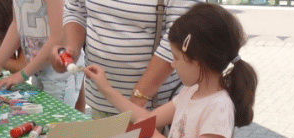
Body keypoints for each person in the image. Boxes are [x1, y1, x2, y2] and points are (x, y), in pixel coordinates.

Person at [83, 3, 255, 138]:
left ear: (197, 60)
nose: (172, 65)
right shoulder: (190, 92)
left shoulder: (218, 106)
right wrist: (106, 88)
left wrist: (152, 135)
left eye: (175, 58)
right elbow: (148, 118)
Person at [54, 0, 195, 118]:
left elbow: (183, 34)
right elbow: (75, 8)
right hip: (99, 101)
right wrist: (71, 50)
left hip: (154, 109)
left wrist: (137, 101)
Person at [0, 0, 84, 110]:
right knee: (41, 118)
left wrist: (22, 74)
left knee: (57, 123)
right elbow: (18, 24)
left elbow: (58, 37)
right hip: (37, 70)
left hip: (59, 70)